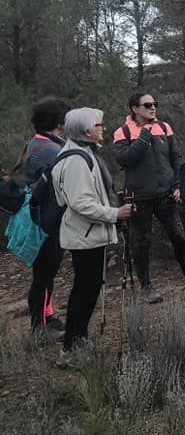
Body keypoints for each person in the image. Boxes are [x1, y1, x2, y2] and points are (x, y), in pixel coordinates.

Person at [53, 108, 134, 365]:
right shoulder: (77, 159)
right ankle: (73, 347)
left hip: (85, 234)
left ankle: (77, 341)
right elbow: (81, 203)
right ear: (86, 130)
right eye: (99, 124)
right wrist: (115, 213)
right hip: (84, 235)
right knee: (85, 290)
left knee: (86, 289)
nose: (103, 128)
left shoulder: (82, 153)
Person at [113, 93, 185, 304]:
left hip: (166, 194)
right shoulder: (123, 132)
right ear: (134, 109)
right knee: (142, 242)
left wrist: (177, 185)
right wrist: (144, 136)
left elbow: (175, 158)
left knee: (179, 237)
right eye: (147, 105)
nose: (153, 108)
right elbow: (125, 160)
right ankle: (146, 287)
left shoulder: (164, 127)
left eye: (155, 104)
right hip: (139, 197)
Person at [22, 97, 71, 339]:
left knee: (47, 271)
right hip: (46, 220)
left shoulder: (41, 142)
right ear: (59, 122)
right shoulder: (51, 149)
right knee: (43, 273)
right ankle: (38, 327)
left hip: (45, 218)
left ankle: (47, 316)